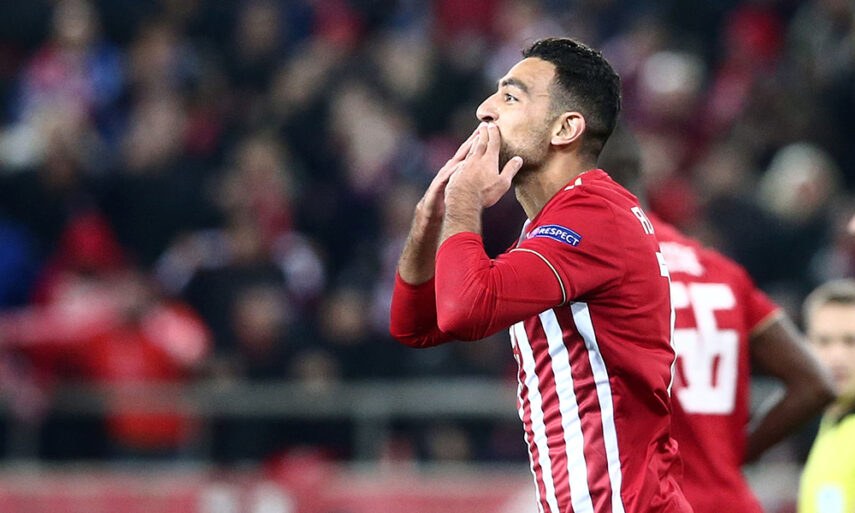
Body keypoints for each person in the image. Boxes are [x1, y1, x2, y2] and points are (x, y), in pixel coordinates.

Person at [390, 37, 691, 513]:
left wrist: (464, 200)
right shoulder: (550, 226)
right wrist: (431, 217)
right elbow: (417, 324)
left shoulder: (594, 216)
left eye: (511, 97)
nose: (485, 110)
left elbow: (466, 310)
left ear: (565, 128)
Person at [599, 125, 836, 513]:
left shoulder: (596, 269)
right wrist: (730, 458)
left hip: (650, 502)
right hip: (730, 500)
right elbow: (815, 383)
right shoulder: (719, 270)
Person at [798, 279, 855, 513]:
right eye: (824, 341)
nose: (837, 356)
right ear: (805, 346)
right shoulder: (830, 426)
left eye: (851, 341)